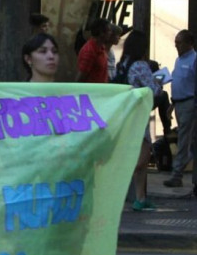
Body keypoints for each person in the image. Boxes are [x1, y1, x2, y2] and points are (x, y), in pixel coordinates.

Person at [116, 30, 162, 210]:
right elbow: (153, 90)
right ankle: (122, 193)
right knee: (141, 159)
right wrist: (158, 82)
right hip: (138, 116)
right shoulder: (140, 65)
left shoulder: (123, 64)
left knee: (140, 161)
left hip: (125, 114)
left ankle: (141, 199)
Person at [164, 30, 196, 189]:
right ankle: (182, 166)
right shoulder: (179, 60)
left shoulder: (194, 59)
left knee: (184, 139)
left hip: (190, 103)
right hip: (179, 103)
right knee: (187, 138)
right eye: (176, 42)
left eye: (180, 42)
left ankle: (177, 174)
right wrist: (172, 105)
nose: (176, 45)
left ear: (189, 43)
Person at [76, 18, 112, 83]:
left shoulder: (101, 47)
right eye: (109, 31)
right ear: (101, 33)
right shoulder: (89, 51)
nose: (110, 33)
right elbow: (81, 77)